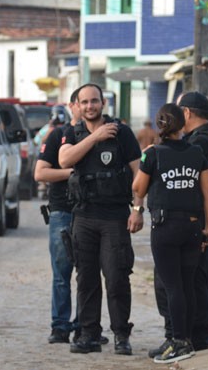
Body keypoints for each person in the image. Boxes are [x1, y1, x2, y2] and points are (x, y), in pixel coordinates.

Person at [58, 83, 143, 355]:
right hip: (84, 216)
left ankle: (121, 334)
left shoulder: (122, 133)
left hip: (115, 216)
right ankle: (89, 334)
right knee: (86, 279)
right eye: (84, 102)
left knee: (117, 277)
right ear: (78, 106)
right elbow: (64, 160)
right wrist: (94, 138)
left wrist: (138, 209)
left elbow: (139, 174)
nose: (90, 106)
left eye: (94, 101)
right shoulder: (73, 133)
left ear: (103, 103)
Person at [149, 91, 208, 356]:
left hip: (190, 222)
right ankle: (200, 335)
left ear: (186, 113)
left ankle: (183, 336)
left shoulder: (194, 145)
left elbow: (198, 187)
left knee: (182, 282)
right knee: (206, 278)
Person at [132, 103, 208, 364]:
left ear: (160, 126)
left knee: (173, 286)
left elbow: (139, 188)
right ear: (182, 125)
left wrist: (145, 158)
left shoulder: (153, 154)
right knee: (187, 283)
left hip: (165, 228)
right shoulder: (196, 152)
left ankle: (179, 341)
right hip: (192, 227)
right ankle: (183, 339)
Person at [34, 91, 82, 344]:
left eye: (92, 101)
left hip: (93, 213)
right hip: (62, 212)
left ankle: (86, 326)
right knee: (62, 273)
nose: (85, 107)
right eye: (80, 103)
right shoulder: (56, 135)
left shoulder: (104, 135)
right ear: (72, 106)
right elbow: (40, 173)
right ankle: (60, 326)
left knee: (89, 274)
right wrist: (71, 173)